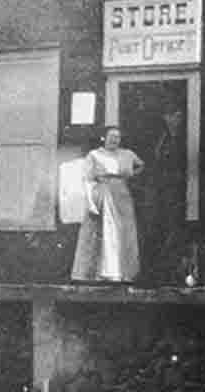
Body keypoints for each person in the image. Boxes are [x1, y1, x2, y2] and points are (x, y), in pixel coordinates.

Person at [72, 126, 145, 282]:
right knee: (106, 232)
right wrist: (91, 202)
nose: (114, 140)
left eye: (117, 137)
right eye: (111, 136)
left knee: (124, 231)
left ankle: (123, 273)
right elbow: (87, 180)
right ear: (103, 138)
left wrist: (130, 176)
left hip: (123, 195)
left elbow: (141, 165)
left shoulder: (127, 154)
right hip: (103, 194)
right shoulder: (94, 155)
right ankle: (103, 272)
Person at [143, 106, 187, 282]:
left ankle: (172, 273)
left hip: (175, 192)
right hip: (159, 190)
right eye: (168, 116)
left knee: (173, 230)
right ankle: (155, 272)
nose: (172, 119)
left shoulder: (183, 138)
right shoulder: (162, 138)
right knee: (156, 228)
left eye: (176, 116)